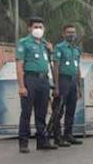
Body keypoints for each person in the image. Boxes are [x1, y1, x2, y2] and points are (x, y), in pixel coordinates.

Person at [16, 17, 58, 153]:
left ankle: (42, 141)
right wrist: (22, 86)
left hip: (44, 80)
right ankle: (23, 142)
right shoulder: (24, 43)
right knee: (26, 112)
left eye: (41, 27)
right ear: (29, 28)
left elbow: (51, 63)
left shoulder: (45, 45)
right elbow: (19, 66)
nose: (38, 29)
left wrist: (51, 51)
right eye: (35, 27)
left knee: (42, 113)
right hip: (30, 79)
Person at [52, 24, 83, 147]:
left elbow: (78, 68)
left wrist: (79, 87)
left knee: (71, 110)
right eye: (69, 32)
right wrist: (57, 86)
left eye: (73, 32)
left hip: (73, 81)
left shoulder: (76, 50)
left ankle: (68, 134)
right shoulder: (59, 48)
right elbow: (56, 67)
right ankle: (57, 137)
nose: (71, 34)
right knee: (59, 110)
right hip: (63, 80)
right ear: (63, 34)